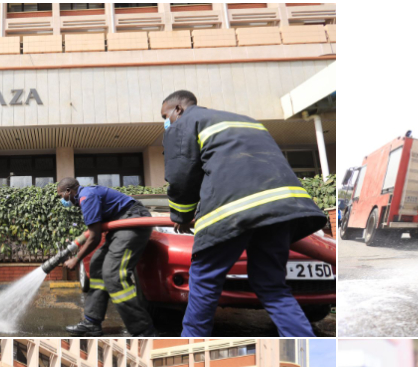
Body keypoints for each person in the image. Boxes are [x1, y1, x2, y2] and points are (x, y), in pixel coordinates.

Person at [161, 90, 327, 337]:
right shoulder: (248, 121)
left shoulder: (184, 123)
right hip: (281, 210)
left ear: (178, 109)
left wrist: (182, 216)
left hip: (232, 211)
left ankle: (192, 346)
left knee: (204, 281)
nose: (165, 122)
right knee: (272, 285)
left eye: (165, 116)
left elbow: (181, 176)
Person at [57, 178, 156, 337]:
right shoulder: (86, 196)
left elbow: (94, 237)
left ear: (69, 191)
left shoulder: (86, 197)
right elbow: (93, 231)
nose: (62, 200)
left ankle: (143, 331)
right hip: (122, 224)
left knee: (113, 274)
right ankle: (91, 322)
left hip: (133, 220)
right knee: (97, 265)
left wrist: (76, 259)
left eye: (61, 195)